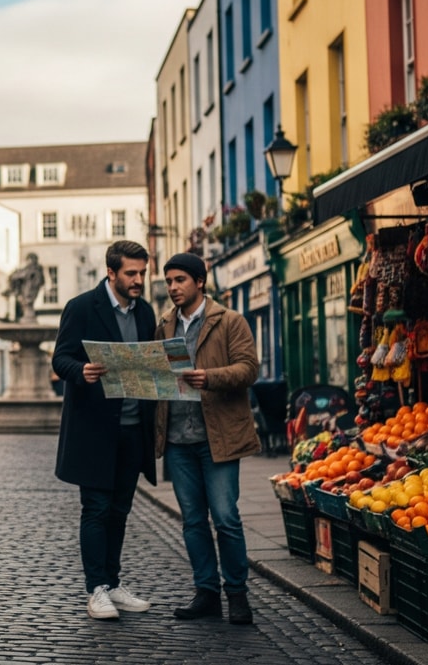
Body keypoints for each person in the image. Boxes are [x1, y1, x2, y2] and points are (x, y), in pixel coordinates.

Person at [51, 240, 161, 620]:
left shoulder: (145, 312)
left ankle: (113, 583)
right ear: (111, 272)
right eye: (131, 273)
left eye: (143, 273)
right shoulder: (81, 307)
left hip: (133, 429)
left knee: (120, 510)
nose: (138, 280)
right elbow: (61, 357)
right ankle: (95, 589)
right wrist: (80, 371)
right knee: (95, 509)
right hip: (95, 431)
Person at [155, 252, 261, 626]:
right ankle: (206, 592)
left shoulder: (229, 321)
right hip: (178, 441)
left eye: (179, 280)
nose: (173, 288)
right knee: (193, 521)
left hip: (219, 438)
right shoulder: (165, 325)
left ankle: (238, 595)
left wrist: (209, 377)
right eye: (168, 281)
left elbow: (249, 369)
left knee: (227, 518)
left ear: (200, 281)